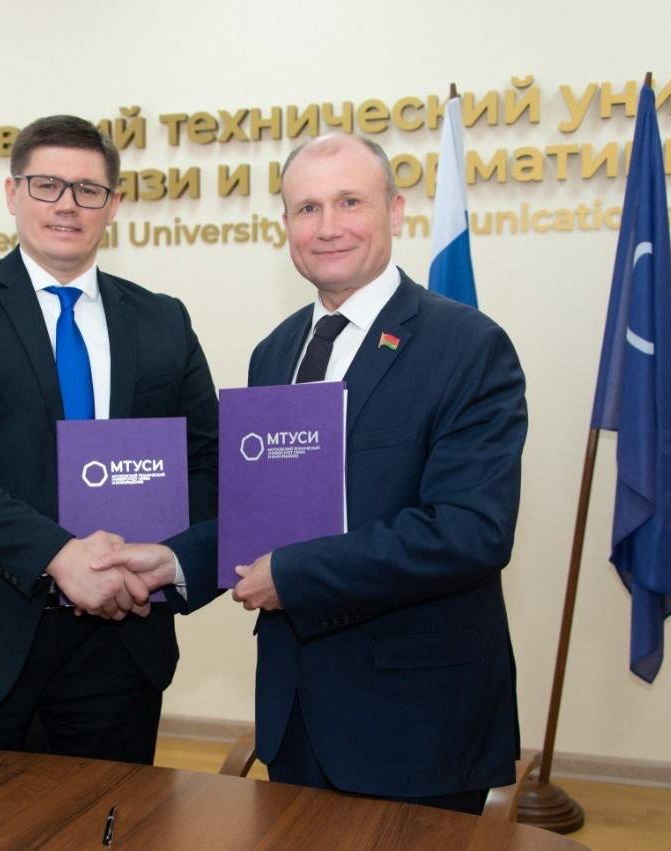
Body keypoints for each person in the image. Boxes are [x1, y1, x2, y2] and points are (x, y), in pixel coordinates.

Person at [95, 133, 527, 811]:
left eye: (350, 202)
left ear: (395, 210)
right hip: (295, 712)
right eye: (307, 208)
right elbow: (262, 517)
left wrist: (294, 574)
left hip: (416, 723)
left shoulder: (468, 346)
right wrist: (173, 562)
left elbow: (470, 530)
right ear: (286, 224)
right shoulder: (276, 352)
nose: (327, 227)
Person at [0, 115, 219, 765]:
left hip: (121, 643)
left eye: (88, 190)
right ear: (13, 194)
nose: (67, 204)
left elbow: (205, 461)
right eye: (47, 185)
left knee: (109, 816)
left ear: (113, 205)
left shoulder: (163, 320)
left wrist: (166, 557)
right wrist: (56, 554)